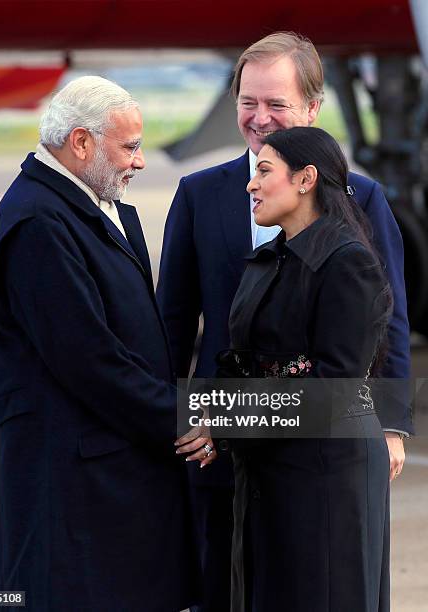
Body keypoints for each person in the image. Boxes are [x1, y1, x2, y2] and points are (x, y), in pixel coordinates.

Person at [157, 32, 413, 612]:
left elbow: (387, 321)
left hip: (314, 447)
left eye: (277, 104)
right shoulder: (199, 194)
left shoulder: (362, 200)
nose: (260, 118)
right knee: (225, 584)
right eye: (249, 102)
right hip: (219, 442)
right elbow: (174, 320)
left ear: (312, 111)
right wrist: (170, 416)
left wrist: (393, 423)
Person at [0, 76, 200, 612]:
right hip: (74, 482)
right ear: (81, 143)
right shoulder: (37, 221)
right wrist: (182, 419)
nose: (139, 162)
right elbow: (90, 360)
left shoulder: (99, 205)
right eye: (130, 147)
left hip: (111, 468)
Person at [223, 126, 392, 611]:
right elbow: (243, 361)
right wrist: (210, 416)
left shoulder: (347, 263)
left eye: (264, 171)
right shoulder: (269, 259)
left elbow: (332, 387)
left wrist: (229, 421)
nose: (252, 184)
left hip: (328, 475)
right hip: (270, 469)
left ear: (306, 179)